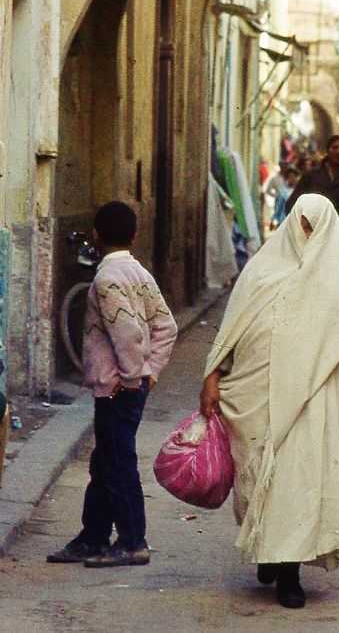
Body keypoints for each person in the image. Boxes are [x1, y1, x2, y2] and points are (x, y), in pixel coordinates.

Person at [200, 194, 339, 609]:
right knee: (259, 473)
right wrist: (212, 377)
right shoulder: (262, 271)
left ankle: (289, 572)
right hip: (258, 393)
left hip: (314, 400)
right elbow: (233, 328)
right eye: (302, 225)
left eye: (315, 227)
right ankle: (269, 550)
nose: (307, 235)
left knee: (300, 480)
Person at [47, 201, 178, 567]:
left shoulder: (107, 280)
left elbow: (127, 334)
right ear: (134, 236)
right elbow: (167, 326)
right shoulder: (140, 274)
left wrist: (135, 377)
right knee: (105, 462)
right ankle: (92, 537)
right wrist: (151, 372)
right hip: (127, 386)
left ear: (95, 235)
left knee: (117, 463)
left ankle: (133, 540)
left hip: (118, 388)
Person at [285, 135, 339, 233]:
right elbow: (292, 203)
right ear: (327, 150)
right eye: (334, 148)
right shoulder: (311, 176)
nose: (338, 151)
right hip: (311, 232)